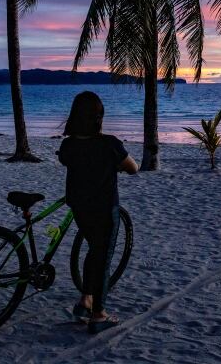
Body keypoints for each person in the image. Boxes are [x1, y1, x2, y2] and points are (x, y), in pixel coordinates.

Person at [57, 91, 138, 334]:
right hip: (103, 208)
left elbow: (65, 160)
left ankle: (85, 301)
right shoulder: (109, 144)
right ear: (98, 117)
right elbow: (132, 168)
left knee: (94, 251)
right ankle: (98, 314)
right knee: (102, 258)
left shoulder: (68, 145)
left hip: (79, 207)